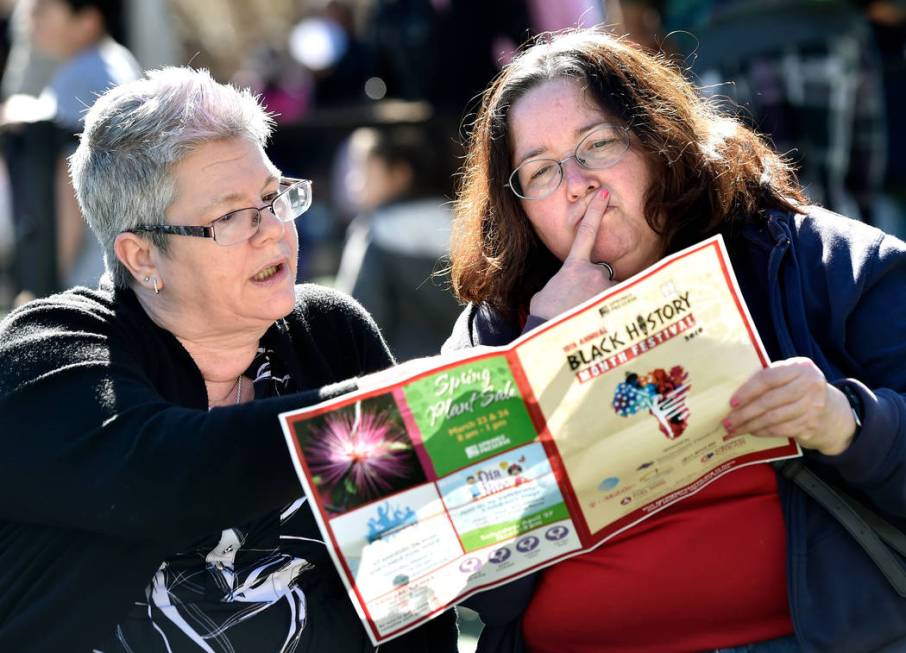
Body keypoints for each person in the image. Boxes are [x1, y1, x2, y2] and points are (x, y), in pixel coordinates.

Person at [444, 29, 906, 653]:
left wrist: (846, 423)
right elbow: (474, 588)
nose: (577, 184)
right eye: (541, 171)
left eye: (598, 144)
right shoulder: (493, 330)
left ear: (660, 142)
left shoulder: (814, 263)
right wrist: (535, 364)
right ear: (518, 207)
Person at [0, 67, 457, 652]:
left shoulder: (330, 333)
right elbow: (168, 473)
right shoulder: (53, 347)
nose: (272, 233)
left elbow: (410, 572)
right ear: (142, 257)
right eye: (230, 217)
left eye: (273, 198)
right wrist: (396, 409)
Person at [335, 125, 461, 361]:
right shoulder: (465, 224)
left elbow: (357, 317)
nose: (355, 184)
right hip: (466, 367)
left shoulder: (373, 231)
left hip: (403, 378)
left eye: (365, 171)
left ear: (399, 175)